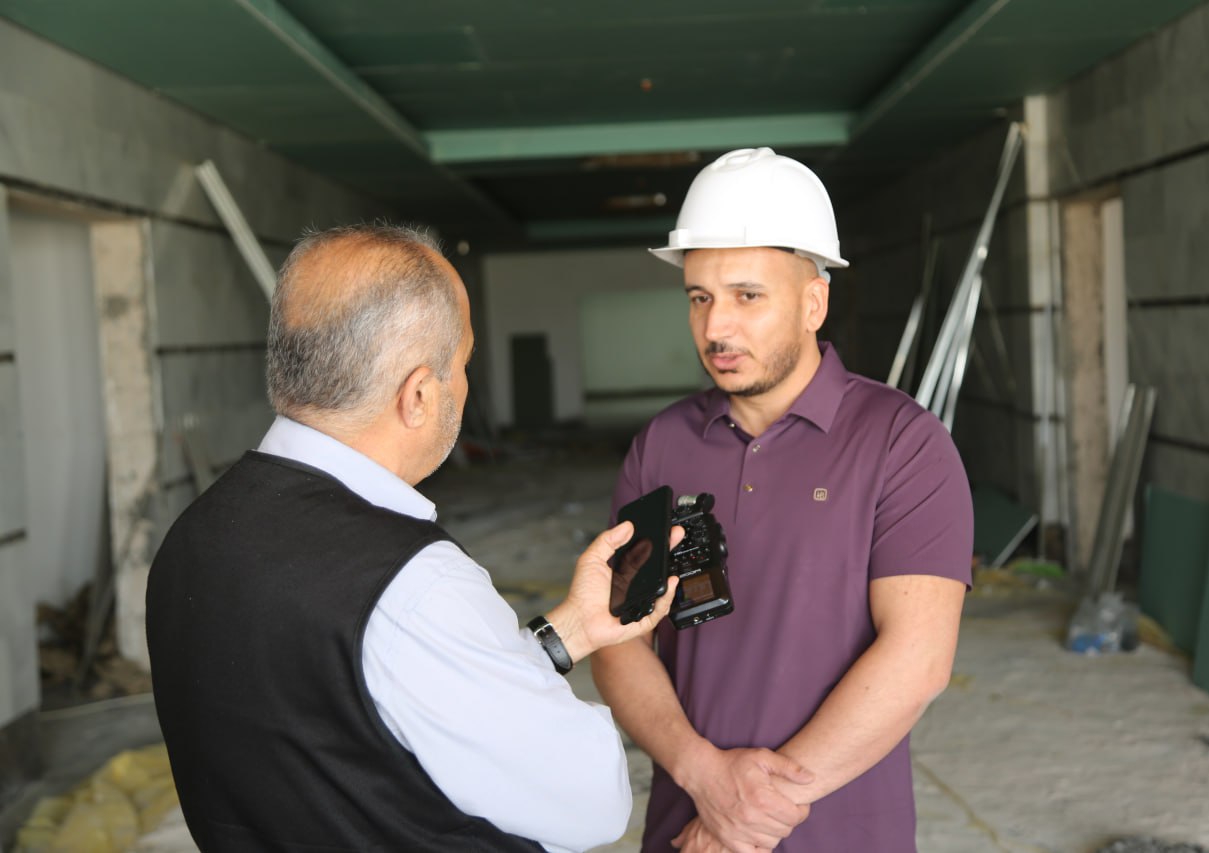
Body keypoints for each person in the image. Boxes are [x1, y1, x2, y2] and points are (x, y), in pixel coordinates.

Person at [146, 224, 679, 853]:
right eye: (464, 363)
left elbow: (360, 716)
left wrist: (572, 630)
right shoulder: (414, 584)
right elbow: (591, 802)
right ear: (420, 394)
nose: (466, 384)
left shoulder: (192, 537)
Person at [592, 148, 974, 852]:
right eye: (699, 297)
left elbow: (917, 658)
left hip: (841, 835)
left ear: (812, 303)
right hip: (688, 827)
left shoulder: (901, 442)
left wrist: (749, 813)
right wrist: (704, 777)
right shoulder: (661, 447)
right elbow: (619, 641)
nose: (716, 328)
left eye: (747, 296)